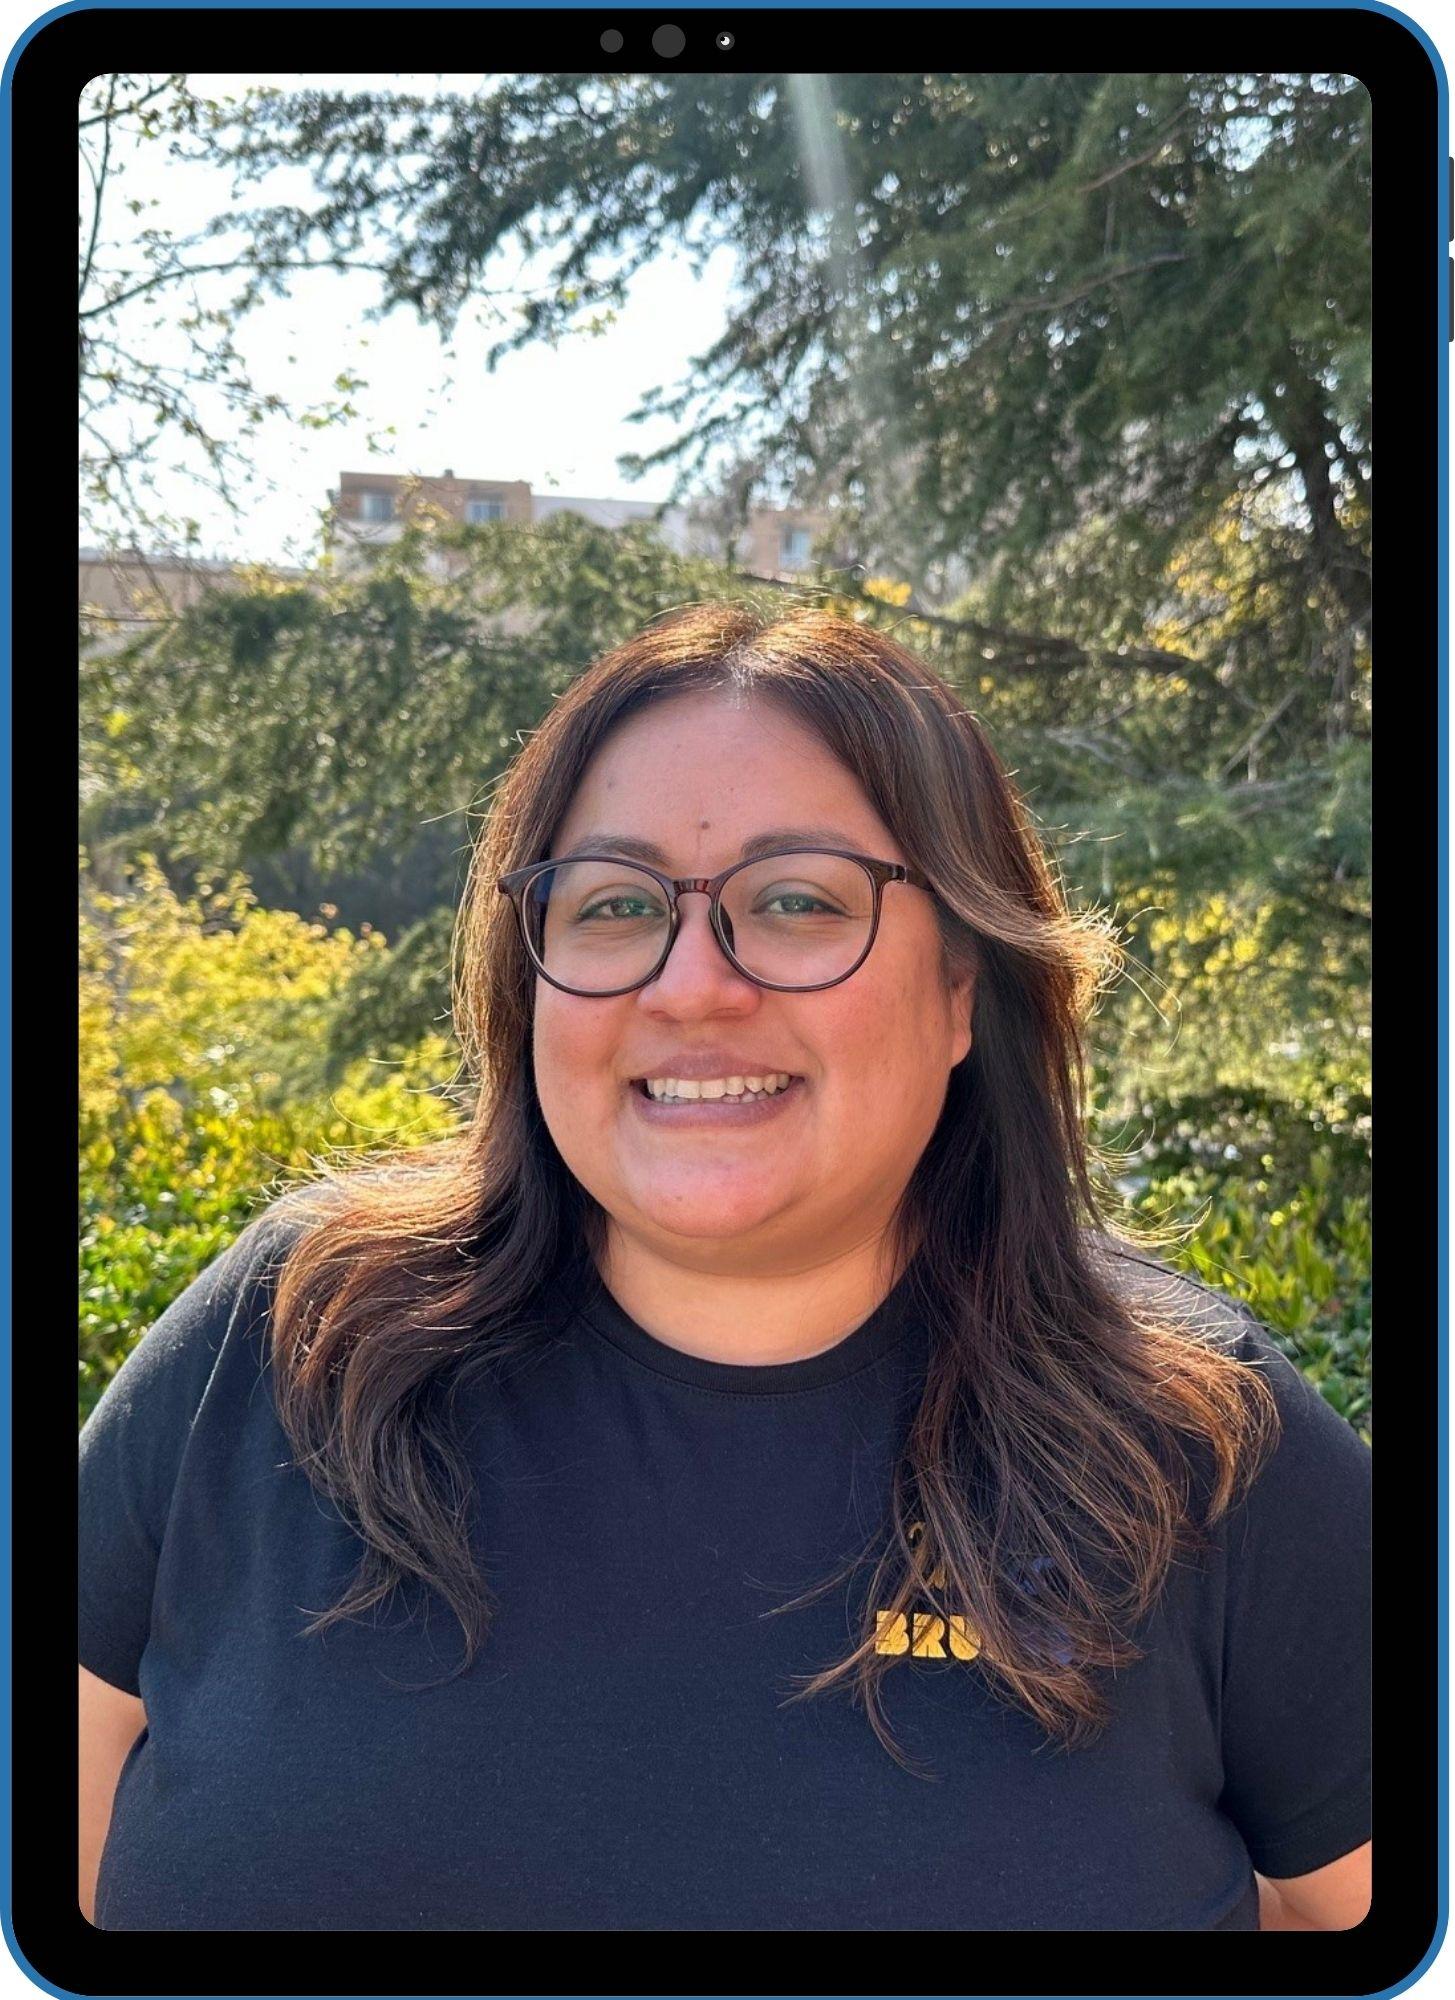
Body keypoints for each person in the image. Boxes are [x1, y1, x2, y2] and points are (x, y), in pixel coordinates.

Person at [79, 604, 1371, 1932]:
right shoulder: (289, 1338)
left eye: (798, 899)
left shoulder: (1206, 1446)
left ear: (961, 989)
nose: (691, 986)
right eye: (616, 903)